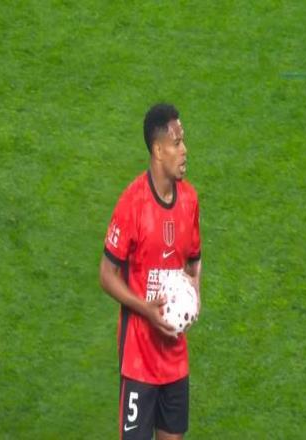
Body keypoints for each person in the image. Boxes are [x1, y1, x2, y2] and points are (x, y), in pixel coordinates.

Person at [99, 103, 202, 440]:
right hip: (138, 359)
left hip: (175, 358)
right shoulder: (132, 204)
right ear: (158, 150)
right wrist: (145, 308)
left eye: (183, 141)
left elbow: (195, 259)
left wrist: (195, 295)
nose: (184, 151)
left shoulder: (189, 200)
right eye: (177, 143)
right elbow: (106, 274)